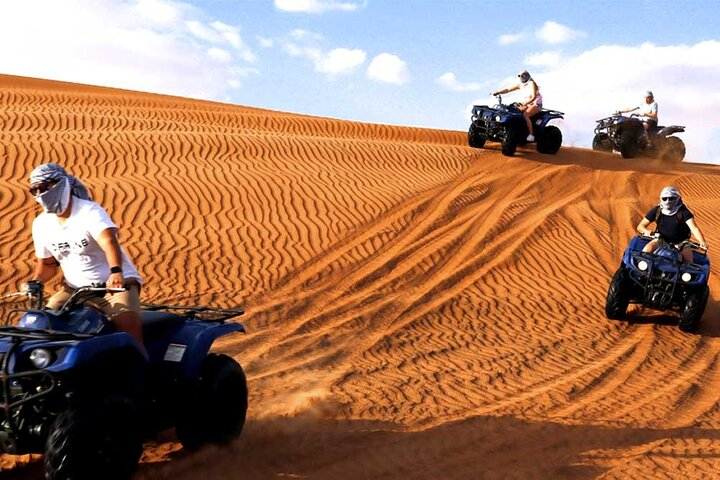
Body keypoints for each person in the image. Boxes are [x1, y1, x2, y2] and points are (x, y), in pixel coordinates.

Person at [24, 163, 144, 348]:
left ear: (61, 184)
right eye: (35, 190)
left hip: (113, 289)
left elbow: (109, 241)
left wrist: (116, 272)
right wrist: (36, 281)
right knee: (40, 326)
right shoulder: (41, 223)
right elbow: (47, 264)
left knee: (129, 338)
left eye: (45, 187)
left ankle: (142, 371)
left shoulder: (89, 211)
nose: (41, 194)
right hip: (75, 291)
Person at [636, 186, 708, 263]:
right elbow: (640, 226)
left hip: (681, 243)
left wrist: (702, 241)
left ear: (677, 198)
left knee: (688, 261)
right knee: (646, 251)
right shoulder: (657, 210)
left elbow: (694, 228)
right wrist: (646, 231)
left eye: (671, 198)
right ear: (661, 199)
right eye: (665, 199)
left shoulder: (683, 211)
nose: (667, 201)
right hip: (661, 239)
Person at [491, 70, 543, 142]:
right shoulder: (520, 84)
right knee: (512, 110)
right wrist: (497, 92)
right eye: (520, 75)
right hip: (526, 103)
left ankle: (531, 135)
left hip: (535, 104)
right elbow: (508, 89)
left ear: (527, 75)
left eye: (524, 75)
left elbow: (533, 97)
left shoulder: (531, 83)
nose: (522, 77)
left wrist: (525, 104)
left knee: (526, 115)